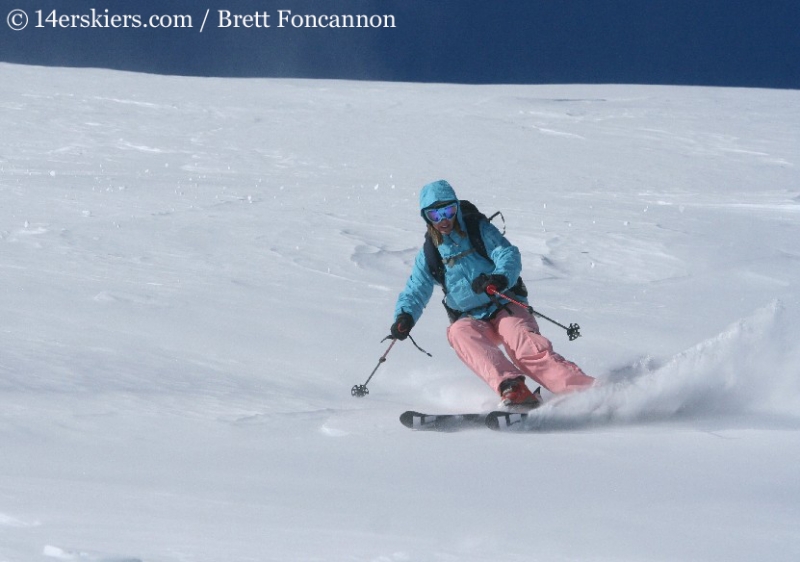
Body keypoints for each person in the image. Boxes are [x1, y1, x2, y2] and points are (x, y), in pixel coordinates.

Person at [390, 179, 594, 407]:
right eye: (435, 215)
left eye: (448, 211)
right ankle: (514, 390)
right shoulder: (430, 253)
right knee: (458, 333)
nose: (444, 220)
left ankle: (585, 393)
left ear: (456, 207)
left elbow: (507, 254)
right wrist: (405, 316)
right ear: (426, 218)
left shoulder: (478, 230)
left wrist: (499, 277)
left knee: (525, 349)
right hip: (470, 318)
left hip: (504, 305)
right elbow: (415, 289)